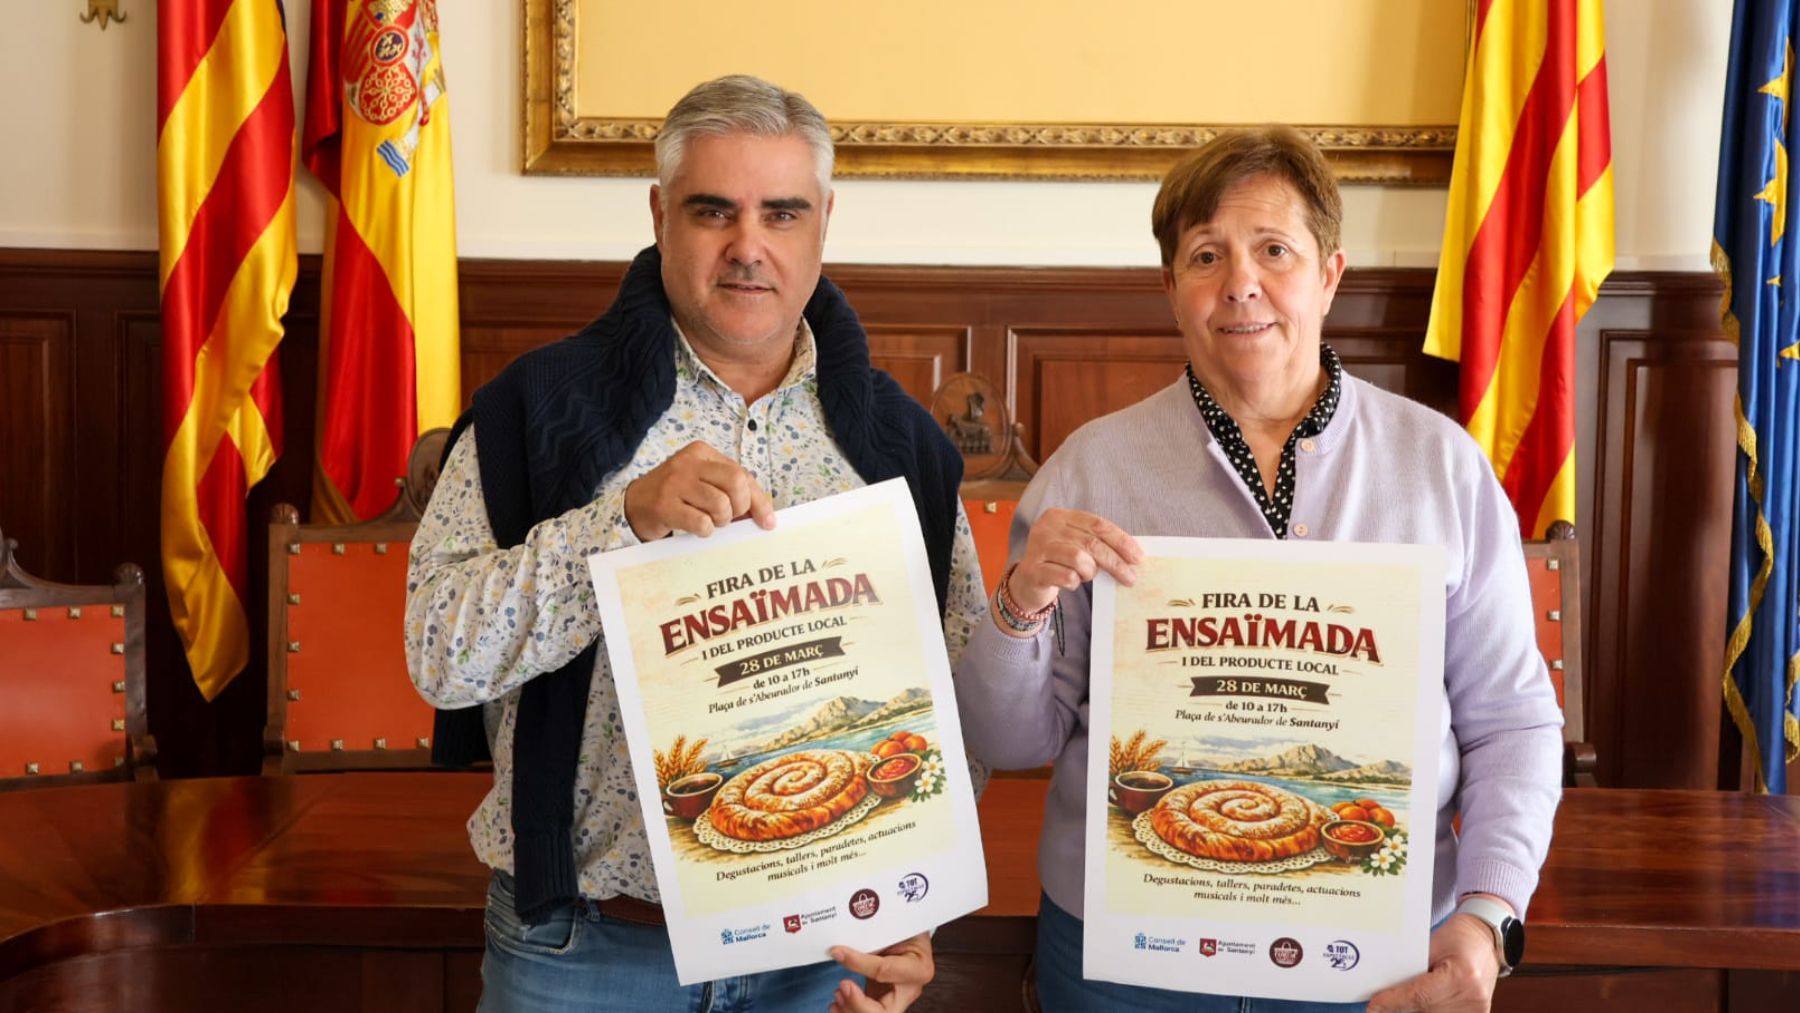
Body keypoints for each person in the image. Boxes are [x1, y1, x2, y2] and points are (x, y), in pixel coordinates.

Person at [404, 74, 988, 1013]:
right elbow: (439, 654)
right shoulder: (534, 409)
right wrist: (617, 525)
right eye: (714, 210)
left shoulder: (901, 446)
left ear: (824, 222)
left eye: (782, 213)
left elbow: (960, 700)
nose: (748, 245)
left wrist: (916, 908)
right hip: (585, 952)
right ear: (659, 214)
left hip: (825, 959)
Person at [951, 126, 1564, 1013]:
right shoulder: (1090, 469)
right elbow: (1013, 741)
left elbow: (1512, 722)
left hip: (1373, 955)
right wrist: (1019, 603)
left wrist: (1488, 912)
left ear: (1330, 275)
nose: (1240, 282)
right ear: (1172, 290)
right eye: (1207, 256)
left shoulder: (1443, 467)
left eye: (1274, 250)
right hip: (1127, 959)